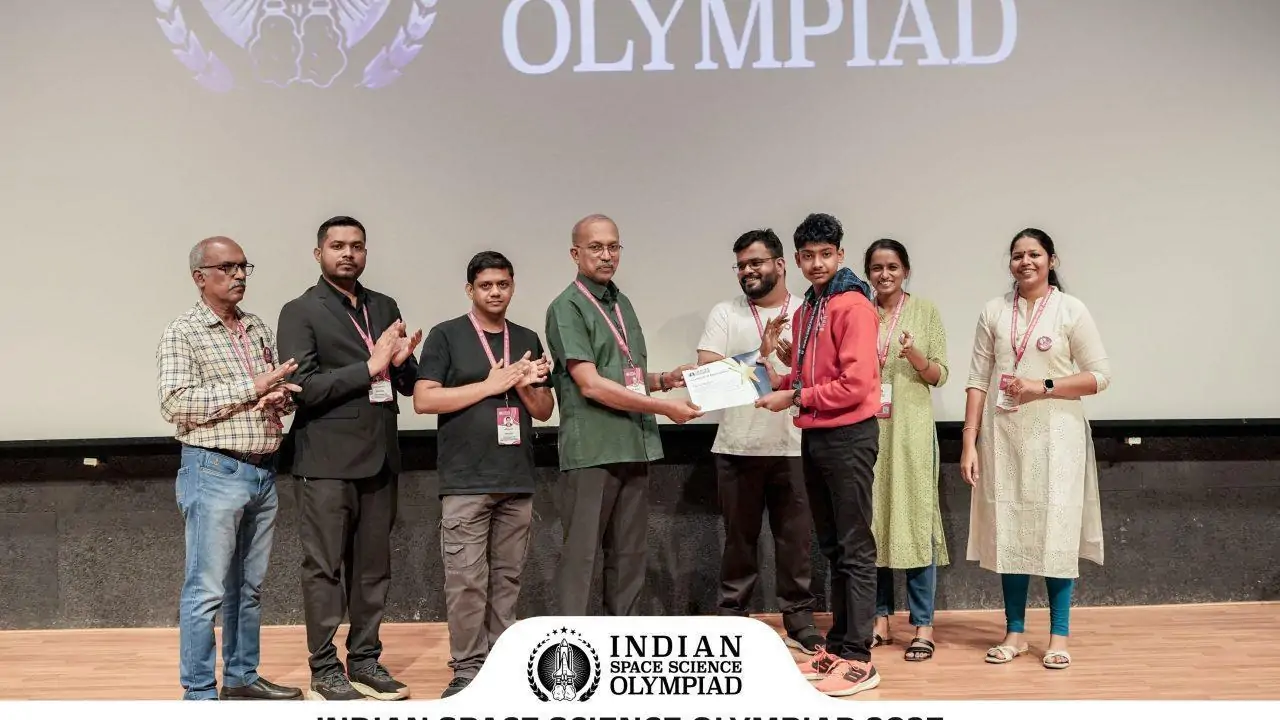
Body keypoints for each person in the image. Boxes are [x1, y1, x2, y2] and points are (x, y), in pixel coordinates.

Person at [276, 216, 423, 701]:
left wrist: (399, 364)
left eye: (357, 246)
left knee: (373, 568)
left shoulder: (384, 306)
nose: (348, 253)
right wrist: (370, 365)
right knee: (324, 569)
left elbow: (404, 382)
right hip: (326, 461)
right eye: (337, 245)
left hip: (380, 458)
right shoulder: (300, 311)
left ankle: (364, 661)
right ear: (318, 253)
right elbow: (303, 387)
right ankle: (324, 669)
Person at [156, 236, 303, 701]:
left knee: (250, 587)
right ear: (200, 277)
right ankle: (199, 692)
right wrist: (252, 387)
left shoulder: (255, 326)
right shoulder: (183, 332)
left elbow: (269, 392)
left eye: (243, 266)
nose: (239, 275)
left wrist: (278, 398)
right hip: (213, 470)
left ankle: (240, 677)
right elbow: (175, 404)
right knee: (206, 590)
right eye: (227, 267)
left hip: (262, 471)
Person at [959, 228, 1111, 671]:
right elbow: (977, 379)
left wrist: (1042, 386)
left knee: (1056, 532)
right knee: (1009, 530)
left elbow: (1100, 376)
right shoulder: (994, 311)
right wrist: (969, 442)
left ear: (1052, 260)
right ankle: (1015, 633)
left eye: (1035, 254)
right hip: (1003, 436)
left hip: (1057, 437)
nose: (1025, 261)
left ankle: (1059, 636)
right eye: (1017, 255)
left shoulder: (1070, 310)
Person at [545, 213, 702, 616]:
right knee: (582, 558)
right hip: (593, 451)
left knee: (630, 556)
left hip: (634, 444)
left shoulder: (621, 303)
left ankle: (620, 638)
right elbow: (591, 384)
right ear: (575, 253)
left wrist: (664, 380)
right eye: (596, 247)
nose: (607, 255)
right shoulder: (567, 307)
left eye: (613, 246)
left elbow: (623, 376)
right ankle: (571, 646)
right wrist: (663, 407)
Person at [413, 251, 555, 698]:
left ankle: (502, 665)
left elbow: (544, 410)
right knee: (466, 582)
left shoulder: (527, 338)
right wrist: (490, 385)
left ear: (513, 287)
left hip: (516, 478)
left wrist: (522, 384)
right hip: (466, 480)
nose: (495, 292)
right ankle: (467, 670)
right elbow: (424, 399)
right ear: (470, 289)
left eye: (503, 284)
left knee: (507, 580)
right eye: (486, 285)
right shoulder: (446, 335)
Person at [754, 212, 881, 697]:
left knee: (855, 547)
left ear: (841, 255)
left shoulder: (853, 305)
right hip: (817, 435)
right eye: (808, 256)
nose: (817, 264)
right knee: (832, 546)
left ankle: (860, 657)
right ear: (796, 260)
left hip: (850, 436)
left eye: (826, 254)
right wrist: (771, 375)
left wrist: (795, 395)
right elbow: (807, 377)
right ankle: (840, 645)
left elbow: (856, 384)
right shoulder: (808, 308)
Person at [695, 228, 822, 653]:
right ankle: (733, 617)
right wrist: (760, 354)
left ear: (780, 265)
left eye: (756, 262)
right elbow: (707, 378)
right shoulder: (725, 313)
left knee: (796, 541)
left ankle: (800, 619)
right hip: (737, 447)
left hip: (796, 446)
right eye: (741, 265)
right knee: (738, 541)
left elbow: (822, 375)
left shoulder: (808, 310)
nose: (747, 271)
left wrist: (785, 365)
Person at [862, 239, 949, 662]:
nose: (885, 274)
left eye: (893, 267)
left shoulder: (926, 311)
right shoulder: (860, 312)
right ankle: (879, 620)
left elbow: (940, 375)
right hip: (867, 430)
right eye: (877, 268)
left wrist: (914, 354)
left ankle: (922, 625)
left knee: (915, 522)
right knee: (872, 523)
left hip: (911, 431)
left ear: (906, 270)